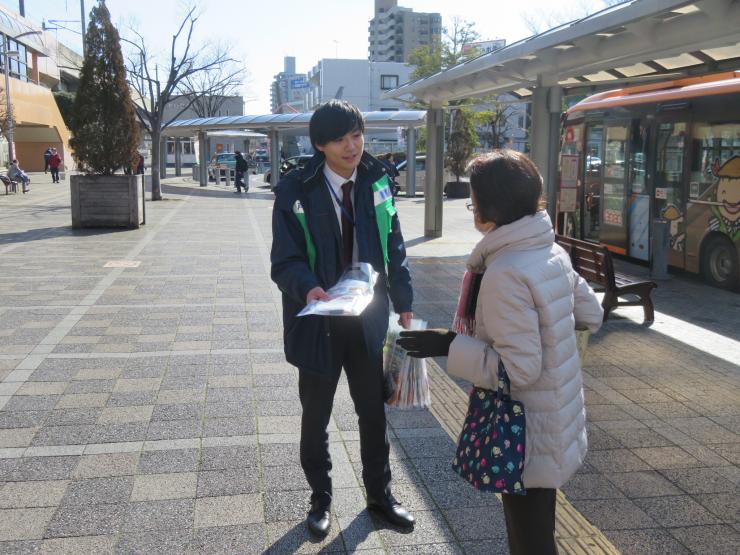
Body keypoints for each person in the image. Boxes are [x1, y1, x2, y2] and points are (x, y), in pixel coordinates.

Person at [398, 150, 603, 555]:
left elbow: (519, 370)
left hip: (523, 431)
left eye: (474, 200)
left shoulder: (506, 271)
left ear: (490, 207)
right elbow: (591, 314)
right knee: (538, 530)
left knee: (529, 541)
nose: (472, 208)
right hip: (556, 420)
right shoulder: (551, 252)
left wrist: (449, 345)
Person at [270, 100, 415, 538]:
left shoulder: (376, 178)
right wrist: (308, 288)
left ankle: (381, 495)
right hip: (318, 320)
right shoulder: (298, 188)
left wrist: (404, 303)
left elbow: (396, 246)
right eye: (340, 139)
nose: (352, 146)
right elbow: (284, 261)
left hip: (367, 317)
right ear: (320, 144)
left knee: (373, 412)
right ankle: (320, 499)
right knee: (316, 415)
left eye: (357, 134)